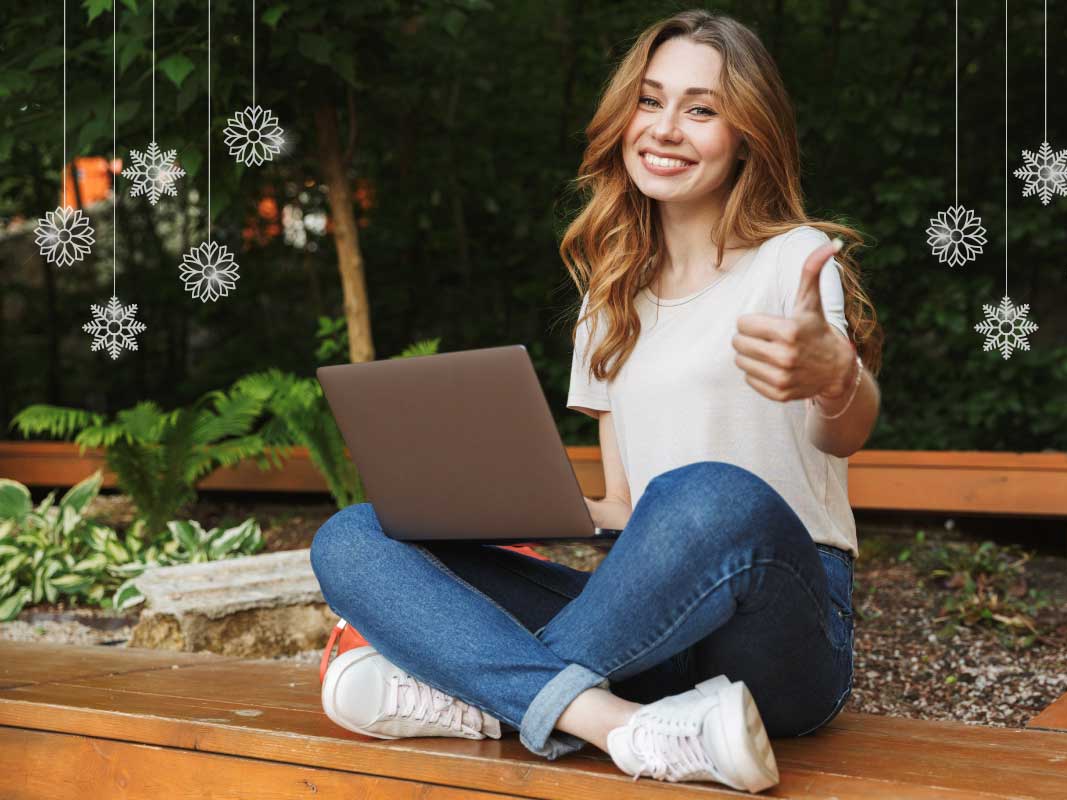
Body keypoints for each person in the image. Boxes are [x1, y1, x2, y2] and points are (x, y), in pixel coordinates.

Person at [310, 8, 882, 794]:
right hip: (656, 630)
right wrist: (486, 508)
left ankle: (472, 692)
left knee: (707, 494)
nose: (666, 128)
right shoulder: (610, 298)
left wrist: (834, 374)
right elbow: (623, 504)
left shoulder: (793, 263)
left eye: (702, 108)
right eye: (650, 101)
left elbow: (844, 435)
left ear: (748, 133)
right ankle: (615, 724)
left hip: (784, 628)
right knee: (354, 536)